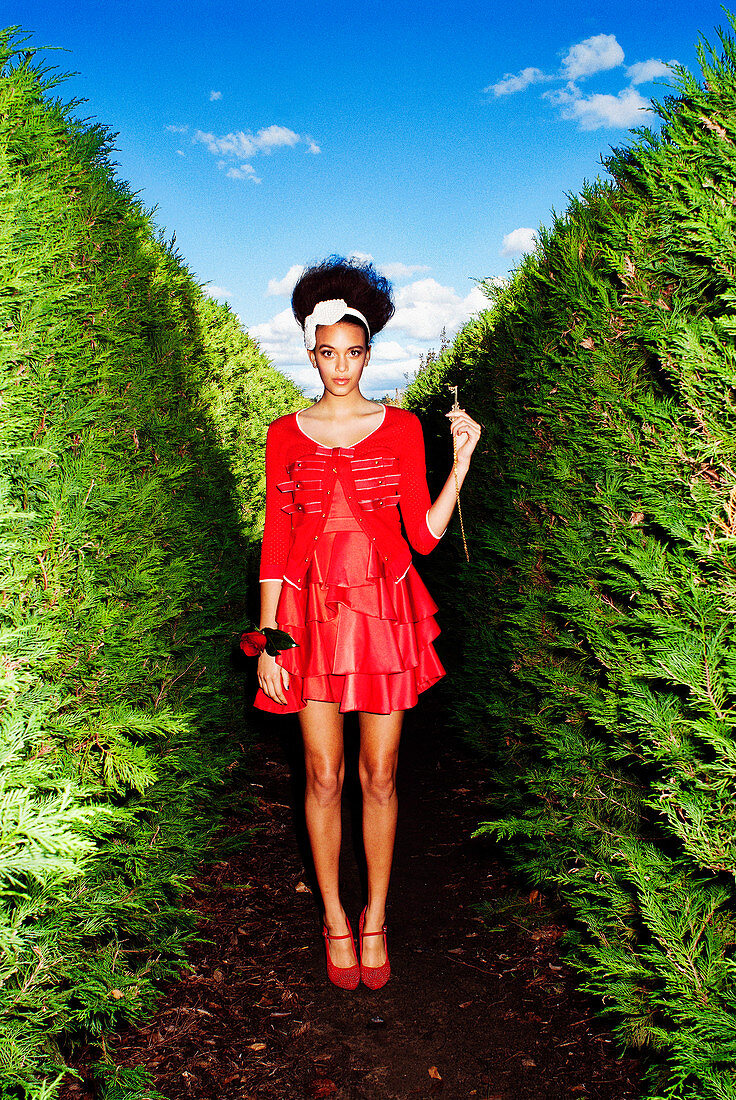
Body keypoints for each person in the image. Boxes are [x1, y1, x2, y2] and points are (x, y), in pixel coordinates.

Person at [254, 256, 481, 990]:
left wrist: (461, 463)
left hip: (384, 616)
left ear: (369, 353)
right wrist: (267, 642)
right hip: (308, 617)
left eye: (353, 352)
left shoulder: (404, 429)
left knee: (378, 775)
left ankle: (377, 914)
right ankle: (334, 917)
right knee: (322, 775)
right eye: (327, 352)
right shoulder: (285, 433)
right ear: (310, 352)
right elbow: (275, 543)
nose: (340, 366)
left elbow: (421, 535)